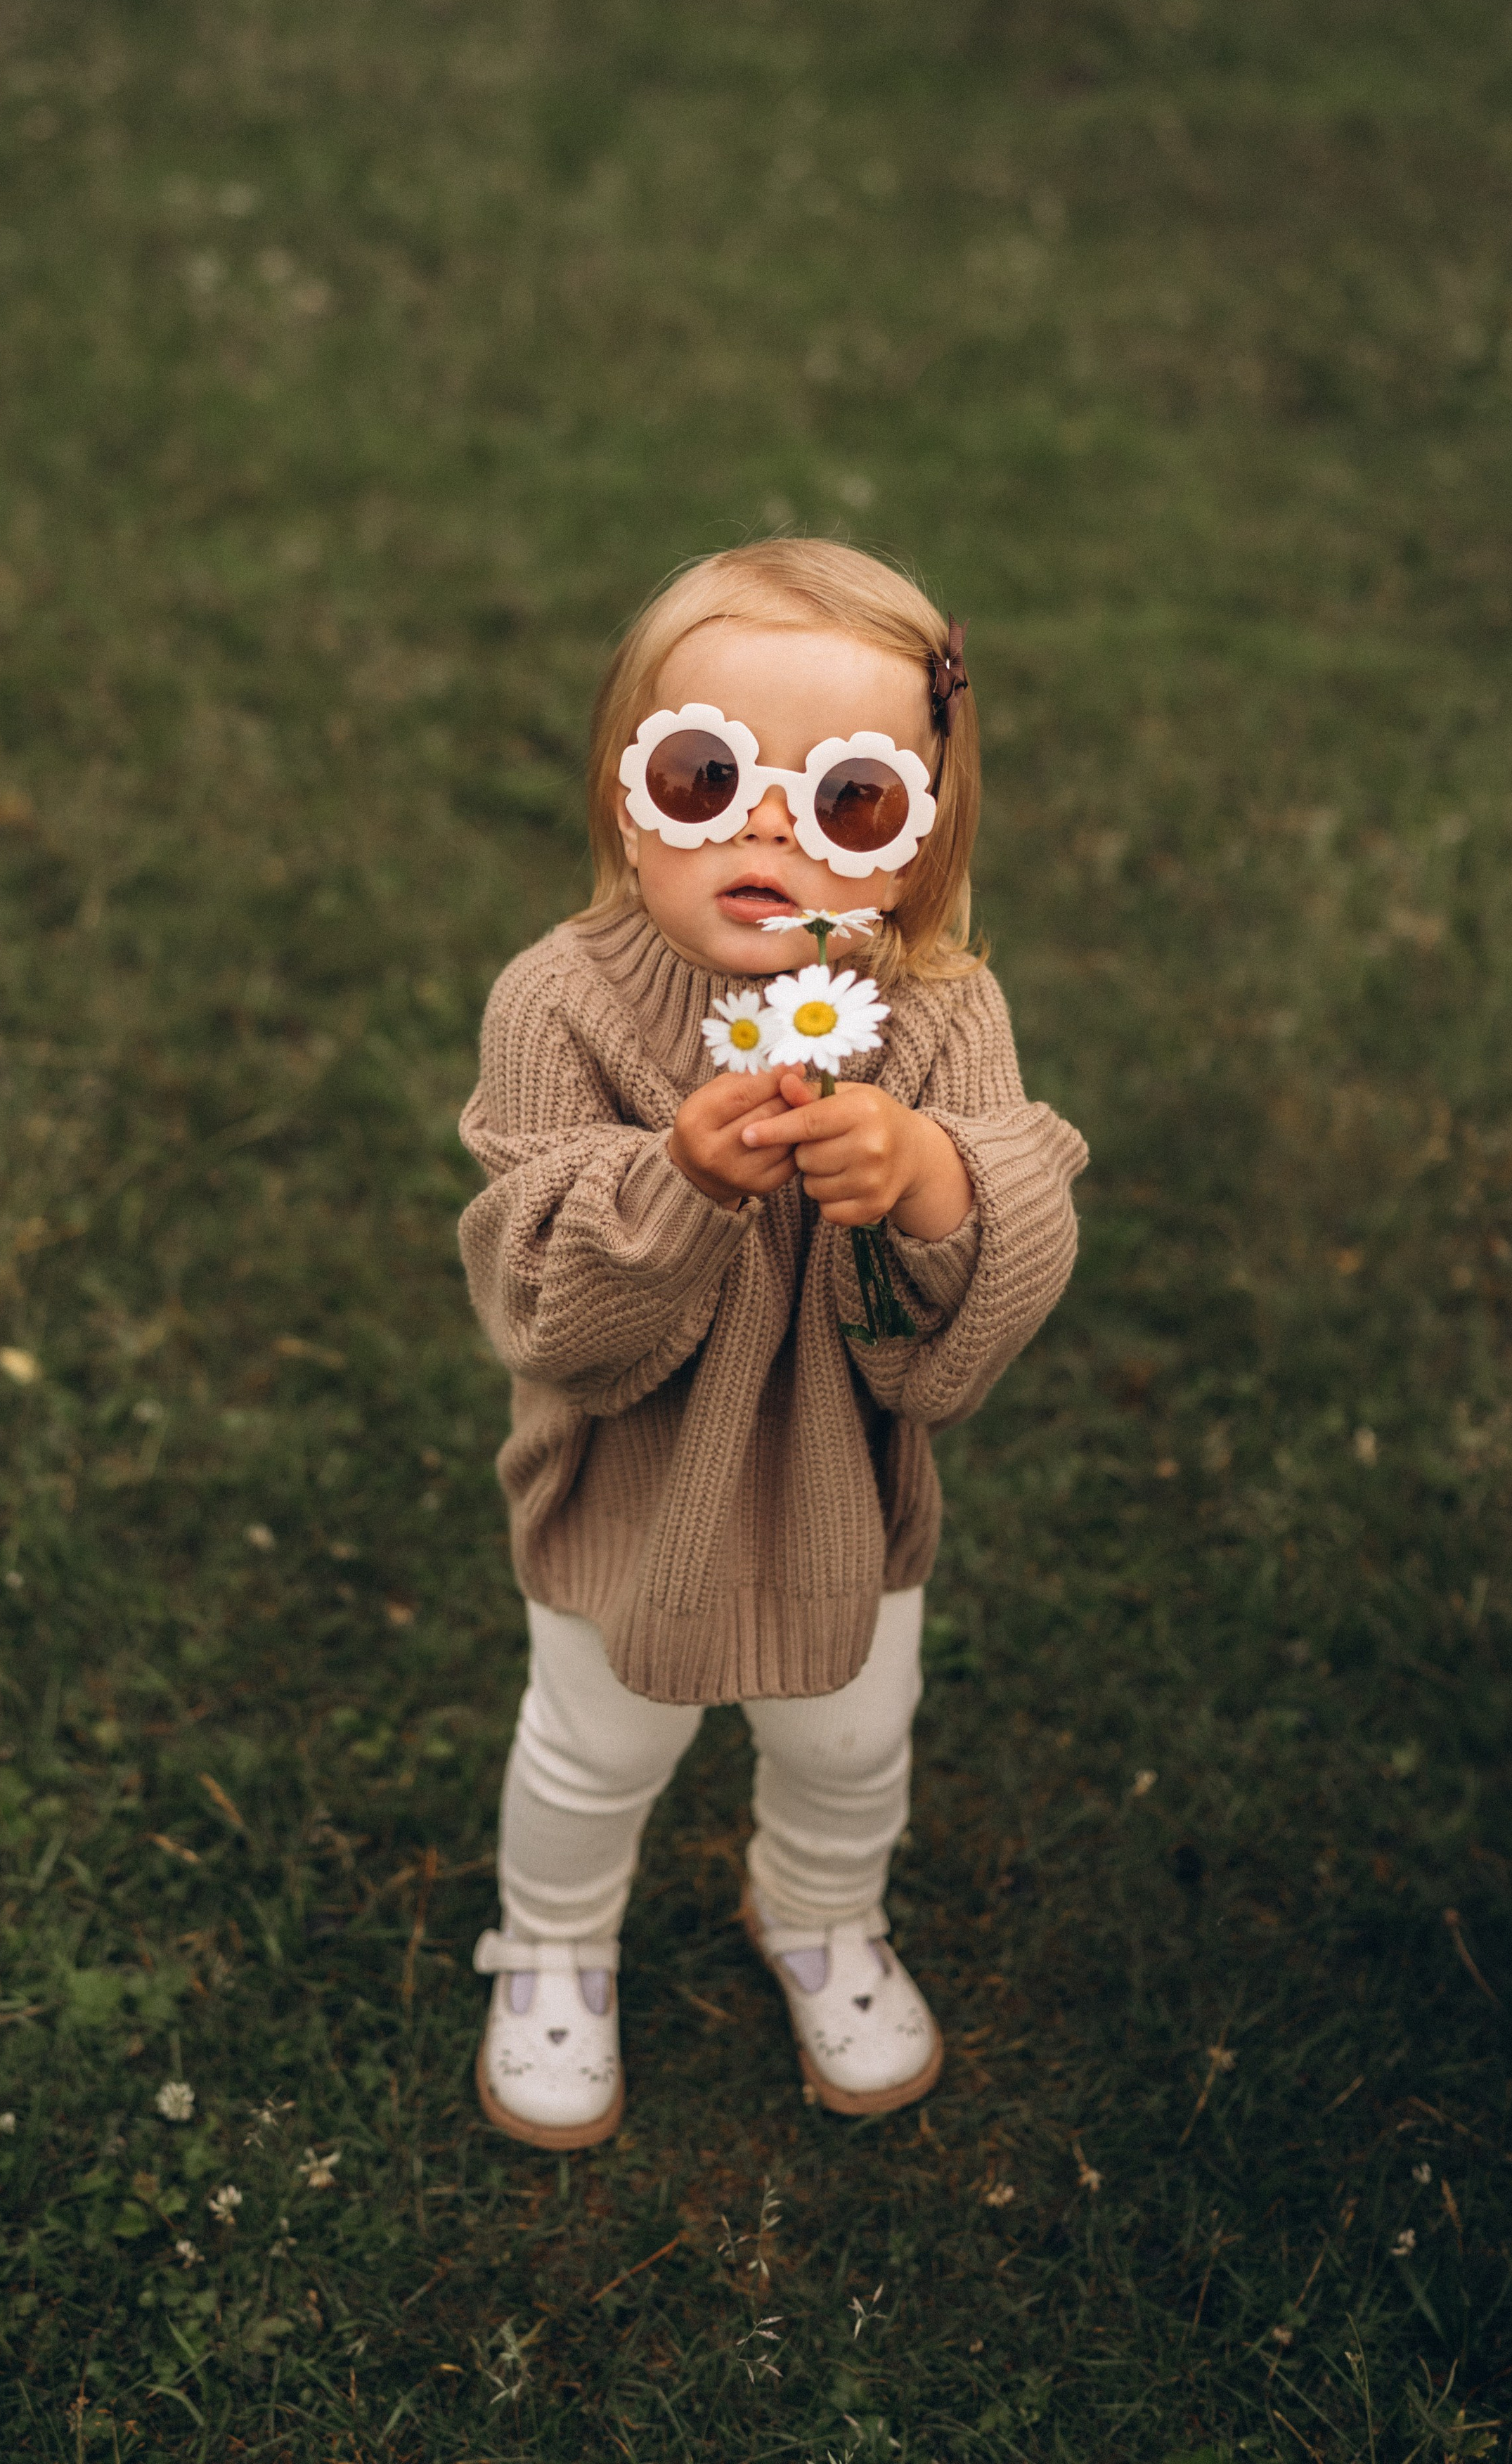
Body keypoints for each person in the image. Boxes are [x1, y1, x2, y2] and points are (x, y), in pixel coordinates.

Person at [456, 538, 1087, 2148]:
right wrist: (669, 1184)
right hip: (624, 1493)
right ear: (625, 799)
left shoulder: (942, 1017)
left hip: (840, 1496)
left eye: (849, 800)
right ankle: (550, 1946)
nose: (766, 827)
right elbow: (537, 1305)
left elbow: (981, 1306)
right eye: (705, 772)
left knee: (852, 1739)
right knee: (593, 1746)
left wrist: (934, 1183)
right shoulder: (559, 1006)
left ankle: (815, 1911)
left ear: (918, 845)